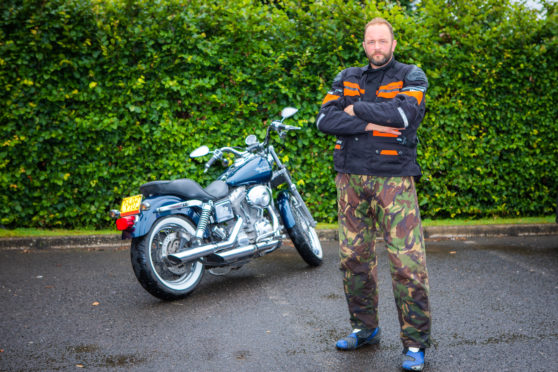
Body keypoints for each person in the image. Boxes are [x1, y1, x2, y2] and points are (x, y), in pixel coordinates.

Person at [316, 17, 431, 371]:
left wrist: (354, 109)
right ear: (364, 45)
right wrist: (371, 122)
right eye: (371, 42)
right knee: (353, 260)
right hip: (350, 181)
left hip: (394, 182)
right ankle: (364, 328)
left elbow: (403, 114)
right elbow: (323, 120)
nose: (377, 47)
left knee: (407, 265)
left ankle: (415, 345)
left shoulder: (412, 76)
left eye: (383, 41)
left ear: (393, 44)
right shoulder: (345, 77)